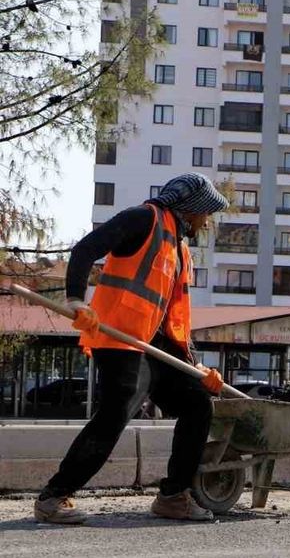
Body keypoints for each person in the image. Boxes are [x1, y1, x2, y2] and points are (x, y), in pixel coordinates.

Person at [34, 174, 229, 525]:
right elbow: (85, 250)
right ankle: (54, 496)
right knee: (116, 412)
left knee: (197, 403)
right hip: (120, 341)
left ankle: (173, 496)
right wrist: (77, 301)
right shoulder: (143, 219)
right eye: (205, 213)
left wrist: (195, 367)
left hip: (152, 346)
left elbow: (172, 320)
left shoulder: (179, 249)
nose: (206, 221)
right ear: (190, 209)